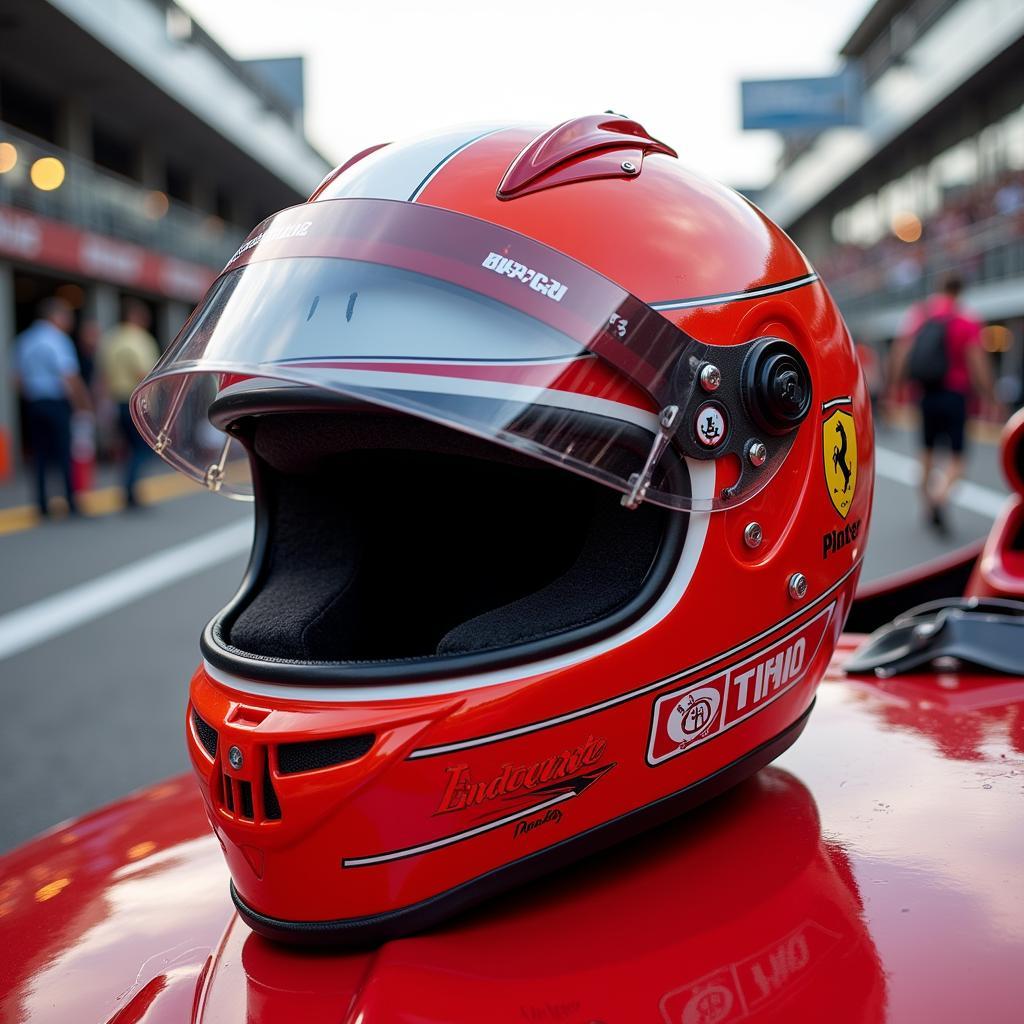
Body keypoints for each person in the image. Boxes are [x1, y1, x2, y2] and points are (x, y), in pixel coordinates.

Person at [890, 275, 1000, 532]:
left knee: (926, 453)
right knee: (957, 457)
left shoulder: (919, 316)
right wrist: (991, 397)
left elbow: (900, 353)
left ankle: (928, 505)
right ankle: (940, 496)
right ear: (960, 292)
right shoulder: (966, 321)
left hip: (925, 394)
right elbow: (977, 363)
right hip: (955, 395)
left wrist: (894, 387)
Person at [14, 296, 92, 517]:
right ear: (55, 316)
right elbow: (69, 376)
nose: (69, 322)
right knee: (64, 452)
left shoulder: (25, 340)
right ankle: (71, 502)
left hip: (34, 403)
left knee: (39, 454)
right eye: (67, 316)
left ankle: (41, 504)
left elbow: (17, 379)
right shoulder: (57, 339)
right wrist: (83, 404)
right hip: (56, 402)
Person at [99, 299, 160, 508]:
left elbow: (103, 375)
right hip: (136, 400)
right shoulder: (139, 340)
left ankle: (128, 489)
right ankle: (130, 491)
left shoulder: (112, 339)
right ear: (138, 317)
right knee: (143, 449)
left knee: (128, 448)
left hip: (116, 400)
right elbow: (143, 372)